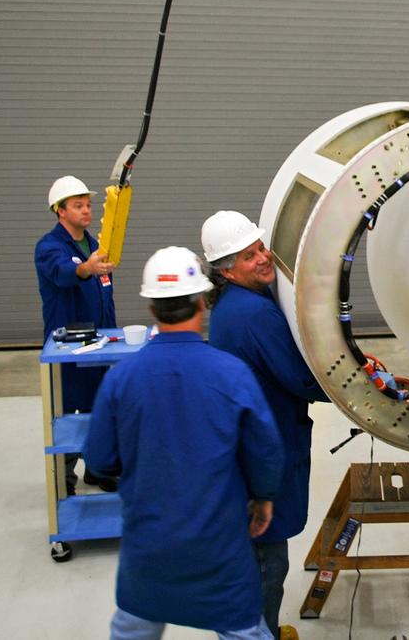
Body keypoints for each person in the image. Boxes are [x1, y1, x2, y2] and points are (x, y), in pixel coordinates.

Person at [84, 246, 284, 640]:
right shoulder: (232, 374)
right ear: (201, 302)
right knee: (243, 629)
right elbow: (265, 453)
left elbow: (99, 459)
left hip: (149, 548)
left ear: (152, 308)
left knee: (133, 628)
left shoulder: (121, 379)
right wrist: (263, 499)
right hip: (219, 545)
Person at [202, 210, 330, 640]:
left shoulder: (235, 306)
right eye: (249, 255)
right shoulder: (255, 315)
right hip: (259, 461)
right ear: (226, 270)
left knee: (255, 560)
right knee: (266, 564)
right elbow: (301, 380)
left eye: (260, 247)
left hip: (244, 452)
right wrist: (354, 385)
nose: (263, 258)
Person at [35, 175, 118, 494]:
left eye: (88, 205)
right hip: (67, 349)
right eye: (78, 206)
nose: (86, 211)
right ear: (60, 211)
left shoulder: (96, 245)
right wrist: (86, 269)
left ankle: (97, 469)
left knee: (99, 408)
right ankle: (64, 479)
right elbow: (65, 273)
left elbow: (104, 294)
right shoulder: (49, 247)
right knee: (68, 413)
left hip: (99, 345)